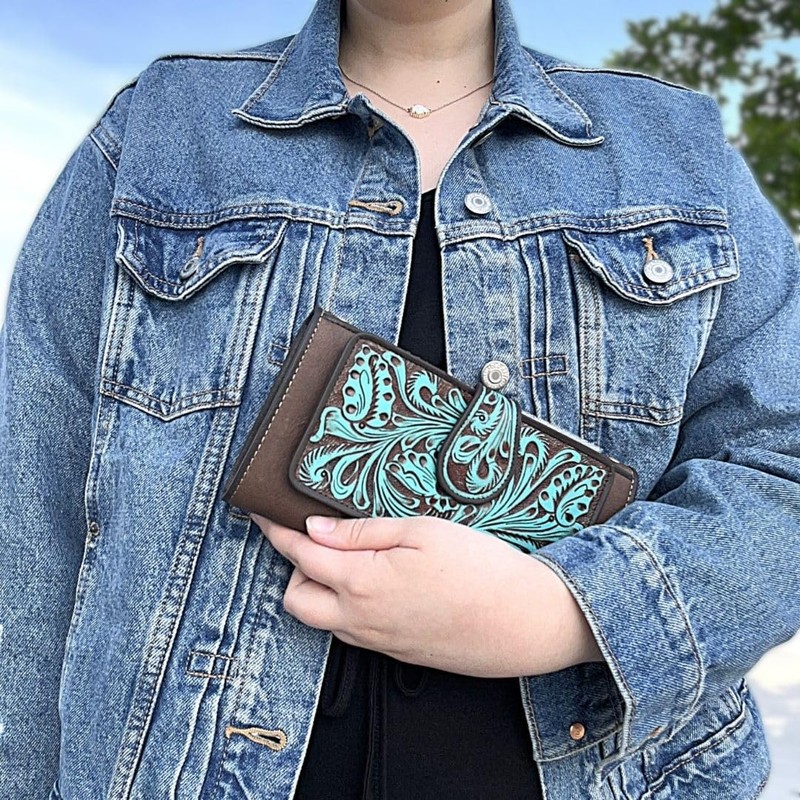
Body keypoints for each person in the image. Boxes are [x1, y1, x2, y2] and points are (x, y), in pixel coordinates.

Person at [1, 0, 798, 797]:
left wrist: (561, 609)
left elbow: (782, 467)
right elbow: (30, 505)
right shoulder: (159, 128)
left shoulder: (675, 149)